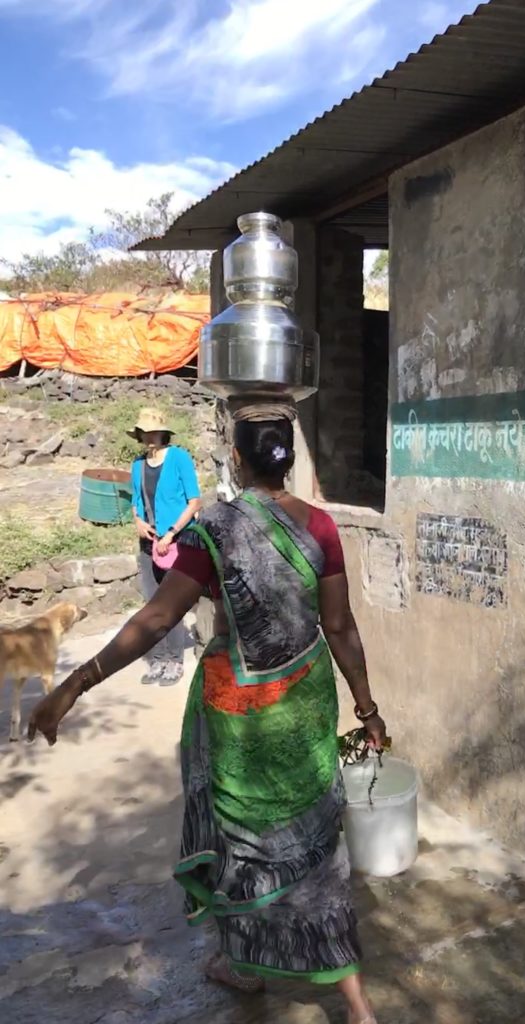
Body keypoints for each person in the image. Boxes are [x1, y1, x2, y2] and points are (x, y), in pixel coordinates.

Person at [28, 408, 386, 1024]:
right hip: (305, 705)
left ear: (237, 460)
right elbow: (341, 626)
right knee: (318, 846)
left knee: (238, 841)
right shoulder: (322, 527)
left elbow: (158, 619)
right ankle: (352, 1003)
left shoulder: (214, 528)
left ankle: (242, 962)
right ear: (290, 461)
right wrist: (367, 707)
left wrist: (75, 684)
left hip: (237, 714)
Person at [129, 407, 202, 685]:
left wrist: (171, 533)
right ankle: (157, 659)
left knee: (172, 602)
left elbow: (194, 501)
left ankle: (174, 660)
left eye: (153, 431)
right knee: (151, 602)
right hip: (149, 543)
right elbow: (135, 500)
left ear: (163, 432)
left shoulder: (179, 458)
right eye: (144, 432)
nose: (149, 436)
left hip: (177, 541)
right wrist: (137, 520)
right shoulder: (138, 464)